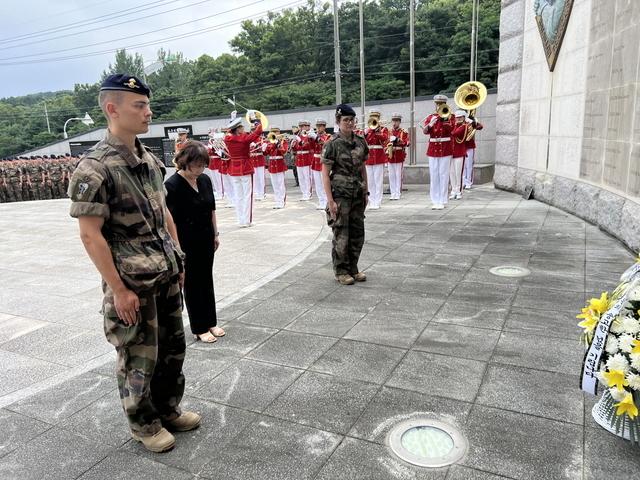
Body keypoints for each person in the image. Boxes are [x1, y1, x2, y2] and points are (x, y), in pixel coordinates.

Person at [68, 74, 200, 454]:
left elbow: (164, 214)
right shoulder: (95, 168)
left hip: (165, 272)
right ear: (112, 109)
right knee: (139, 355)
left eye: (146, 104)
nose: (148, 112)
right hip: (132, 282)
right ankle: (144, 424)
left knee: (172, 348)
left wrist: (179, 258)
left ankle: (167, 409)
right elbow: (90, 235)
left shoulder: (149, 160)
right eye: (138, 105)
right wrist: (120, 290)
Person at [165, 141, 224, 343]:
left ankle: (211, 321)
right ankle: (199, 326)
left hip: (206, 238)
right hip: (186, 242)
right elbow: (169, 220)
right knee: (192, 284)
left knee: (206, 280)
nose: (200, 169)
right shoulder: (172, 186)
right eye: (196, 165)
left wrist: (216, 234)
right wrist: (176, 247)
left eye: (203, 165)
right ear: (185, 162)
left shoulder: (205, 180)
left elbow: (211, 209)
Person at [322, 104, 369, 286]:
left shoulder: (360, 142)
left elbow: (363, 167)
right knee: (342, 234)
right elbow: (325, 174)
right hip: (340, 195)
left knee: (358, 233)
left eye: (352, 120)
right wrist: (330, 200)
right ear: (338, 122)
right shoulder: (332, 144)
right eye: (345, 120)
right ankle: (341, 270)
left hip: (357, 193)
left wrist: (366, 191)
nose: (349, 123)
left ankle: (353, 268)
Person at [224, 114, 263, 226]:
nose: (243, 129)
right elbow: (258, 131)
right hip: (245, 167)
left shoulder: (228, 138)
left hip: (234, 169)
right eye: (241, 127)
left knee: (238, 195)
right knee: (247, 195)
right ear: (237, 129)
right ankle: (247, 220)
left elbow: (231, 133)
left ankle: (240, 220)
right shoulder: (244, 139)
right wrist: (256, 121)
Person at [422, 94, 454, 210]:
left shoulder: (451, 116)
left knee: (444, 175)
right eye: (437, 104)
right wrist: (430, 124)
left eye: (441, 104)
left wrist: (444, 120)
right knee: (434, 175)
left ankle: (443, 199)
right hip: (433, 149)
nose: (439, 106)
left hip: (445, 148)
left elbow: (452, 130)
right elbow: (425, 131)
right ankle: (435, 200)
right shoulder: (431, 117)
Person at [363, 109, 389, 210]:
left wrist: (376, 131)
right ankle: (371, 201)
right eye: (372, 117)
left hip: (378, 157)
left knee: (378, 181)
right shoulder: (367, 130)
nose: (374, 119)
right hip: (369, 157)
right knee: (370, 181)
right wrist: (365, 133)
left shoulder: (383, 129)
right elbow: (363, 140)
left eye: (376, 117)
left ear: (379, 118)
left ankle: (377, 201)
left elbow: (384, 138)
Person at [264, 126, 288, 209]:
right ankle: (277, 201)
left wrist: (278, 143)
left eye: (276, 132)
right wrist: (265, 146)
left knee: (280, 184)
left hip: (279, 164)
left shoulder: (282, 141)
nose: (274, 133)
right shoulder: (270, 142)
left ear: (279, 132)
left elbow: (284, 151)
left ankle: (281, 201)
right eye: (272, 132)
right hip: (272, 165)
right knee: (275, 185)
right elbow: (266, 153)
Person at [387, 113, 410, 200]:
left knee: (398, 175)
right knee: (391, 176)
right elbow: (385, 143)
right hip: (390, 155)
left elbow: (407, 143)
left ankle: (398, 193)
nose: (394, 123)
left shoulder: (403, 132)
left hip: (399, 155)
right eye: (393, 121)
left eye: (396, 121)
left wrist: (397, 140)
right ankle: (393, 193)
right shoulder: (389, 132)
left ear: (399, 122)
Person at [309, 118, 330, 210]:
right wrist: (309, 139)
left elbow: (326, 144)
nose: (318, 128)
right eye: (317, 126)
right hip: (315, 160)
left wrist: (316, 138)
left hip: (323, 160)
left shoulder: (328, 136)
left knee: (324, 182)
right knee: (317, 184)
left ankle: (326, 201)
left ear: (324, 127)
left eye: (320, 126)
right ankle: (321, 201)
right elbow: (309, 147)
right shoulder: (314, 136)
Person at [292, 120, 313, 200]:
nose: (301, 128)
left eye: (303, 126)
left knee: (307, 177)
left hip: (306, 158)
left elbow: (308, 146)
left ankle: (308, 193)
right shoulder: (298, 135)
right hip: (299, 158)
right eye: (300, 126)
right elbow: (294, 148)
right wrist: (293, 143)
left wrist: (300, 142)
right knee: (301, 177)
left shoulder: (308, 135)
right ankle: (304, 193)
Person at [450, 110, 468, 201]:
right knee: (452, 173)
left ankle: (459, 191)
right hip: (451, 153)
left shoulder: (464, 126)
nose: (458, 118)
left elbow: (454, 133)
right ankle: (453, 190)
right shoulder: (455, 125)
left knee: (458, 173)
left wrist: (454, 124)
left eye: (460, 117)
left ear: (464, 117)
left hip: (460, 152)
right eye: (457, 117)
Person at [463, 113, 484, 189]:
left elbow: (480, 126)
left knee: (469, 165)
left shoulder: (471, 120)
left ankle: (468, 182)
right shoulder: (459, 120)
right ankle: (463, 182)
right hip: (461, 146)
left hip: (470, 146)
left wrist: (472, 122)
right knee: (463, 166)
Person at [250, 126, 267, 201]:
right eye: (252, 130)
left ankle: (262, 193)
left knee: (261, 178)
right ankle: (256, 193)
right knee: (255, 178)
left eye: (254, 130)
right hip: (253, 160)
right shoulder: (250, 139)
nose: (253, 131)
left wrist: (257, 145)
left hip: (260, 160)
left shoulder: (261, 139)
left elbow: (263, 150)